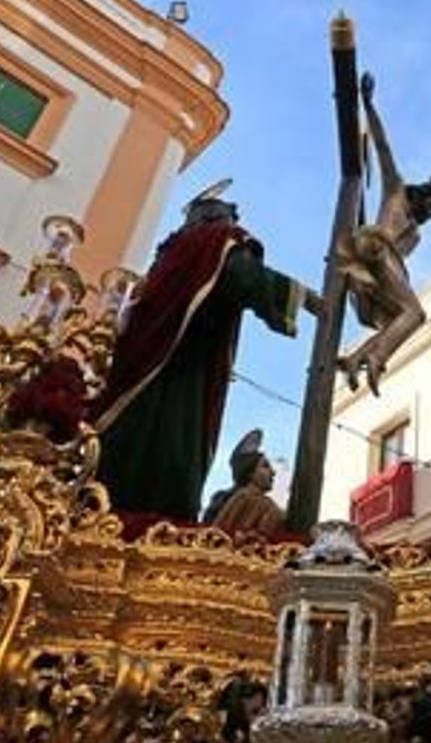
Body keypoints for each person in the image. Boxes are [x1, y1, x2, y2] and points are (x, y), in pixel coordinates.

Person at [92, 183, 316, 521]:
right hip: (174, 382)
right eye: (229, 216)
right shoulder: (207, 244)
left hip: (133, 384)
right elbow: (242, 275)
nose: (235, 225)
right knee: (168, 473)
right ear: (212, 219)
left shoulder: (164, 263)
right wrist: (311, 301)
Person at [336, 72, 431, 394]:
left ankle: (357, 359)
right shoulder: (396, 192)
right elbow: (382, 147)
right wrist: (368, 105)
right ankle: (376, 357)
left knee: (399, 322)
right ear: (427, 192)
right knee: (415, 313)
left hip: (382, 271)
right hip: (374, 248)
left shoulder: (416, 235)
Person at [202, 429, 284, 536]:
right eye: (265, 466)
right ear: (250, 473)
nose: (273, 472)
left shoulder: (269, 505)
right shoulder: (243, 497)